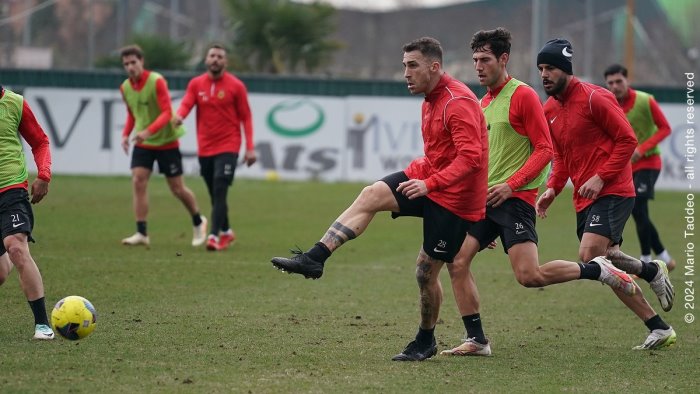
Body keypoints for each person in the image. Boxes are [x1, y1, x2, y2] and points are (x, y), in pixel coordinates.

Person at [271, 37, 489, 361]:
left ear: (434, 66)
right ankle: (315, 258)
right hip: (431, 183)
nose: (405, 73)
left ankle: (425, 339)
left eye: (412, 65)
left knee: (425, 272)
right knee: (371, 193)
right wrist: (417, 175)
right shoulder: (430, 99)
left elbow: (471, 158)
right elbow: (439, 154)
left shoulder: (457, 102)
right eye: (404, 66)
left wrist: (430, 184)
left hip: (455, 201)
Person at [439, 28, 644, 357]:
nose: (478, 66)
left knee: (529, 276)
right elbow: (486, 163)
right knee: (457, 260)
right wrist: (478, 207)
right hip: (488, 202)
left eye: (485, 60)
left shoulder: (522, 96)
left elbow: (544, 150)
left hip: (516, 200)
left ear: (503, 60)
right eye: (475, 60)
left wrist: (515, 185)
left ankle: (600, 269)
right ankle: (476, 339)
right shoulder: (482, 103)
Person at [535, 39, 676, 350]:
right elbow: (560, 156)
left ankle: (653, 287)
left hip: (613, 189)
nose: (544, 74)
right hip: (584, 197)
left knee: (590, 257)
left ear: (567, 71)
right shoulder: (549, 109)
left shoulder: (595, 98)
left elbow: (627, 140)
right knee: (605, 262)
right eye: (541, 68)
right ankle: (656, 313)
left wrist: (600, 178)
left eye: (551, 68)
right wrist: (552, 189)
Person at [118, 45, 207, 247]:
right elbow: (132, 114)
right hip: (144, 143)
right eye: (126, 64)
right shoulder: (125, 87)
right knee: (138, 181)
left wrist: (147, 132)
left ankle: (198, 221)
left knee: (177, 189)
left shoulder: (156, 81)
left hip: (167, 141)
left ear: (142, 61)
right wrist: (126, 134)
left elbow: (167, 112)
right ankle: (141, 232)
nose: (130, 67)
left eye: (133, 62)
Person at [174, 44, 256, 251]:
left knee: (220, 187)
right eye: (212, 56)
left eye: (220, 56)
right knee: (215, 193)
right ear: (206, 60)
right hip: (205, 148)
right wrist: (179, 117)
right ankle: (227, 231)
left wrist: (250, 147)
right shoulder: (196, 84)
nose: (216, 59)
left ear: (225, 62)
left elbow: (246, 117)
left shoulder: (236, 86)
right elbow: (187, 103)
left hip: (229, 144)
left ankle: (213, 236)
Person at [604, 64, 675, 270]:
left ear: (628, 81)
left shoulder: (645, 100)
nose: (615, 86)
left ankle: (645, 261)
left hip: (650, 163)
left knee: (638, 208)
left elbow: (665, 128)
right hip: (627, 168)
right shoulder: (608, 104)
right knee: (638, 212)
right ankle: (664, 256)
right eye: (610, 83)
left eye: (619, 81)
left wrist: (642, 149)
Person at [0, 85, 54, 339]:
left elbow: (40, 142)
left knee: (16, 247)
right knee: (1, 273)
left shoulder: (14, 103)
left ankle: (43, 325)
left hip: (11, 190)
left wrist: (44, 174)